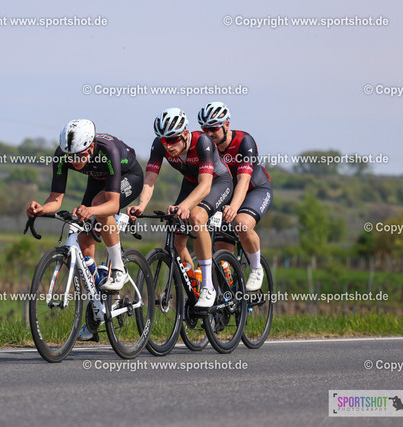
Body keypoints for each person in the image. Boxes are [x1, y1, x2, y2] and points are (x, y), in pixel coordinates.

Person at [27, 119, 143, 340]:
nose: (75, 161)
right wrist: (41, 209)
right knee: (83, 241)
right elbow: (55, 198)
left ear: (91, 147)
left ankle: (118, 269)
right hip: (97, 178)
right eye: (70, 156)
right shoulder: (63, 155)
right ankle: (97, 309)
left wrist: (92, 210)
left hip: (128, 176)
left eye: (80, 156)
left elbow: (113, 204)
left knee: (100, 207)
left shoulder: (107, 150)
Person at [128, 108, 233, 308]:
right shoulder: (159, 145)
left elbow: (205, 185)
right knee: (178, 238)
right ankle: (194, 288)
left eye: (172, 139)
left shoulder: (202, 142)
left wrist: (184, 206)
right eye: (163, 140)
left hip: (217, 182)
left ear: (185, 133)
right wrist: (141, 205)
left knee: (196, 218)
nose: (168, 146)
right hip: (191, 183)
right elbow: (150, 179)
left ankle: (208, 287)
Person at [197, 102, 273, 291]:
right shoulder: (206, 146)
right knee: (222, 244)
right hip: (227, 193)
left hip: (255, 189)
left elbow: (243, 181)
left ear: (227, 124)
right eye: (205, 129)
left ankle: (256, 268)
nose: (209, 134)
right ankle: (227, 290)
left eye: (214, 128)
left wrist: (233, 207)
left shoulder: (244, 141)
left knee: (242, 224)